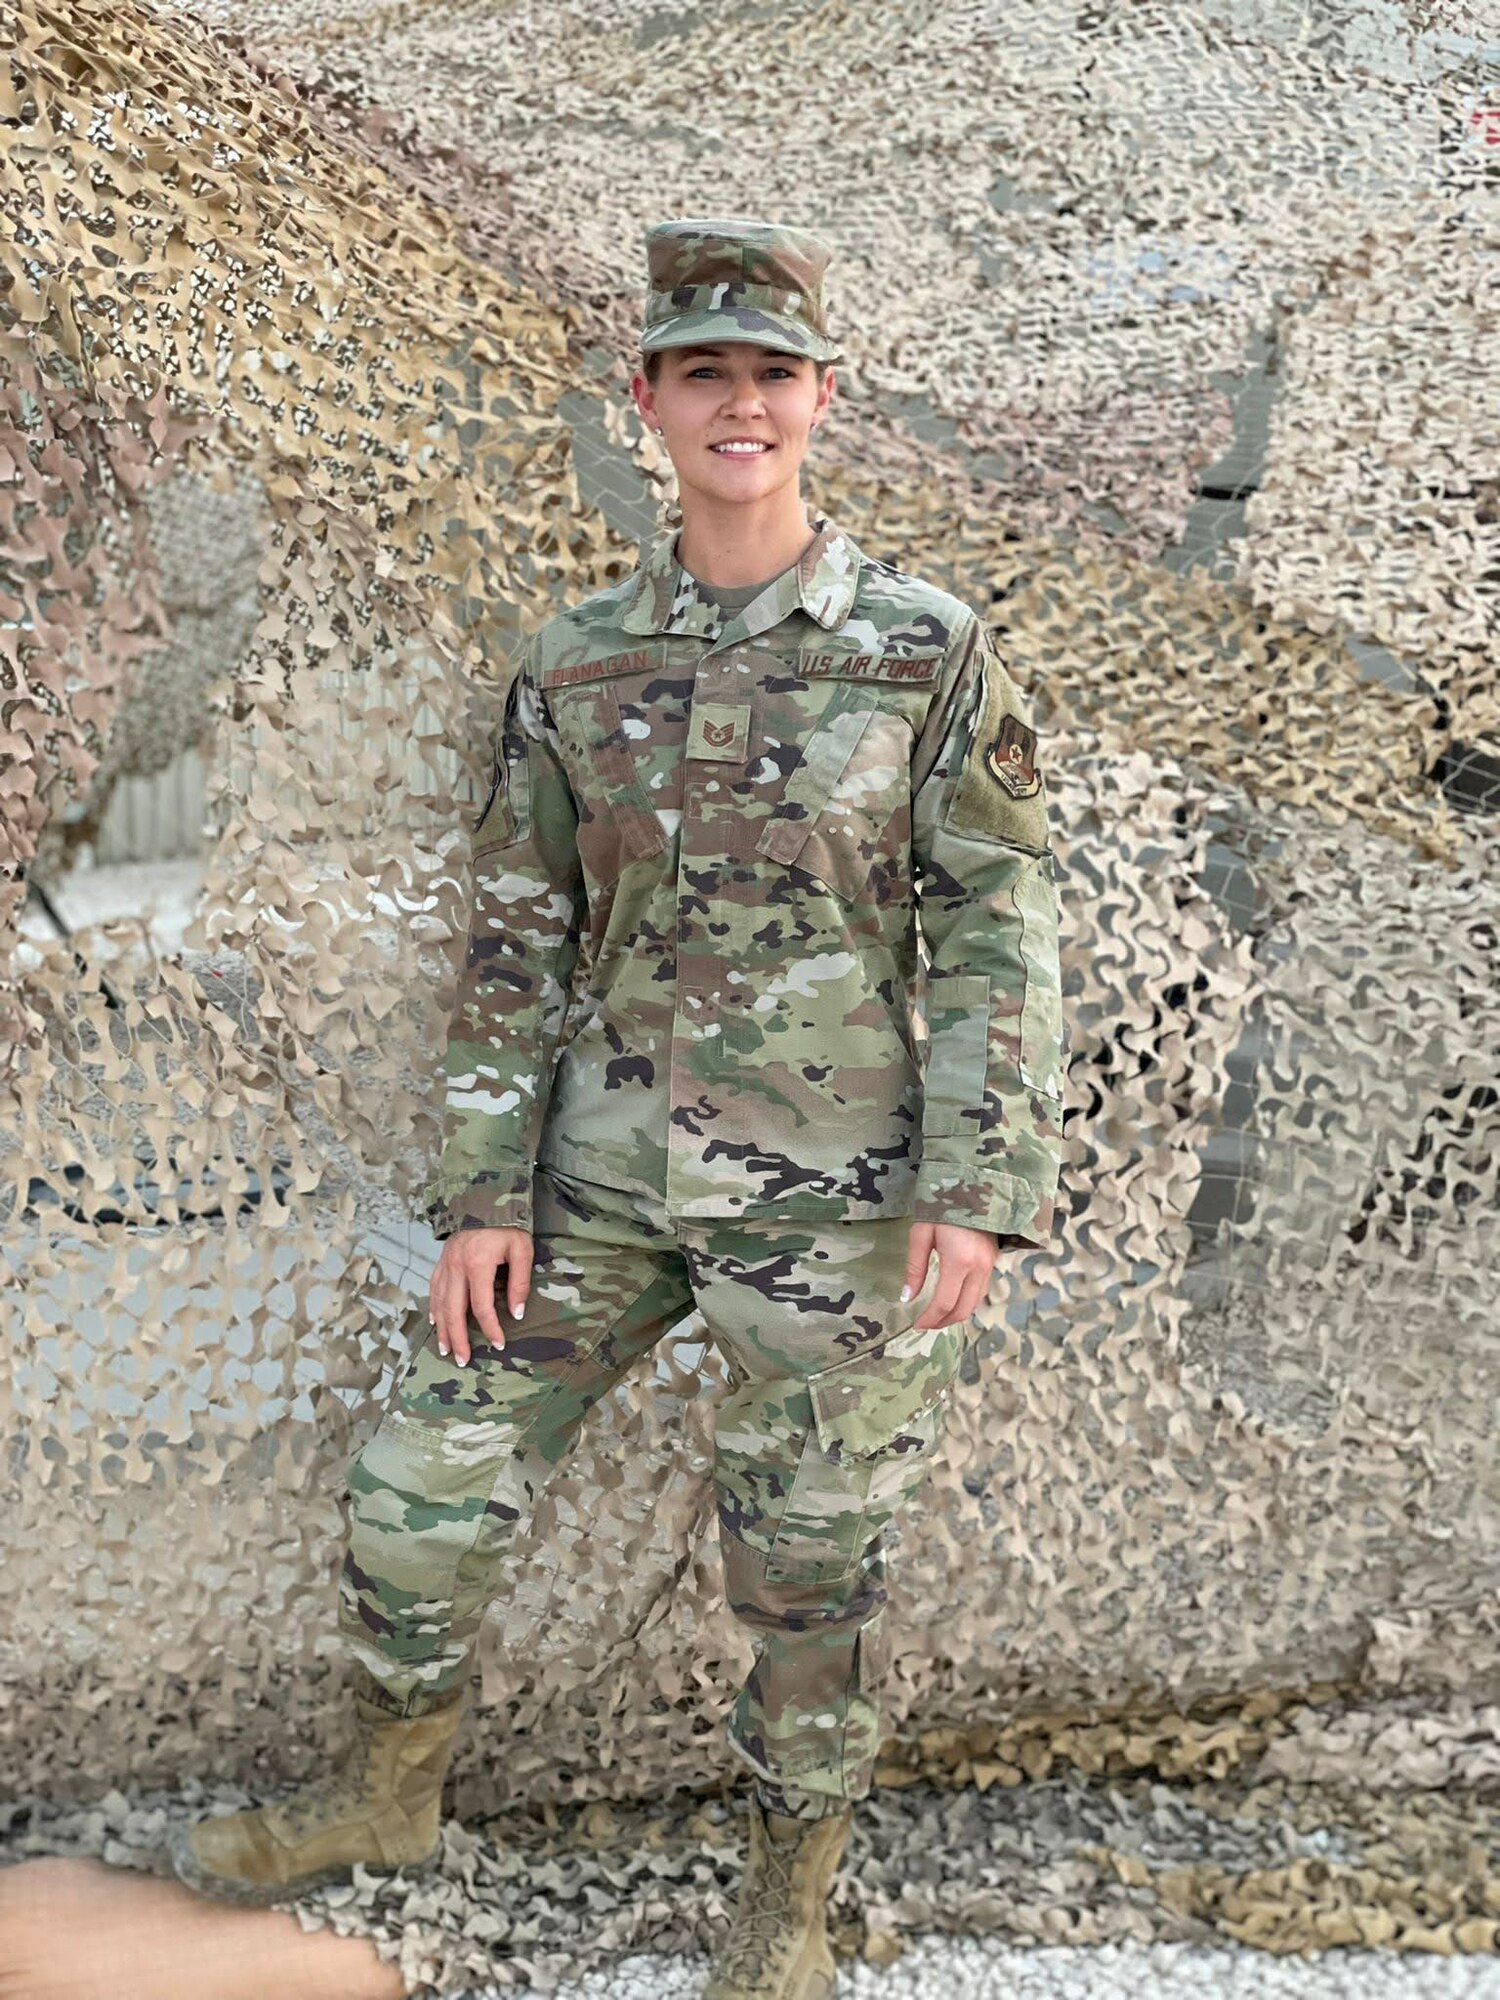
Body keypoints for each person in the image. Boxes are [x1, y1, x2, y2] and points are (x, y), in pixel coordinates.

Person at [171, 215, 1066, 2000]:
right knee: (416, 1487)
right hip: (599, 1179)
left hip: (843, 1198)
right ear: (646, 399)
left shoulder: (922, 651)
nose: (742, 405)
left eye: (774, 374)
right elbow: (514, 940)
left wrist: (978, 1189)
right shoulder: (571, 661)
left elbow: (996, 927)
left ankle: (787, 1901)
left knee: (805, 1575)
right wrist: (479, 1197)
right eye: (703, 372)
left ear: (825, 402)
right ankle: (385, 1792)